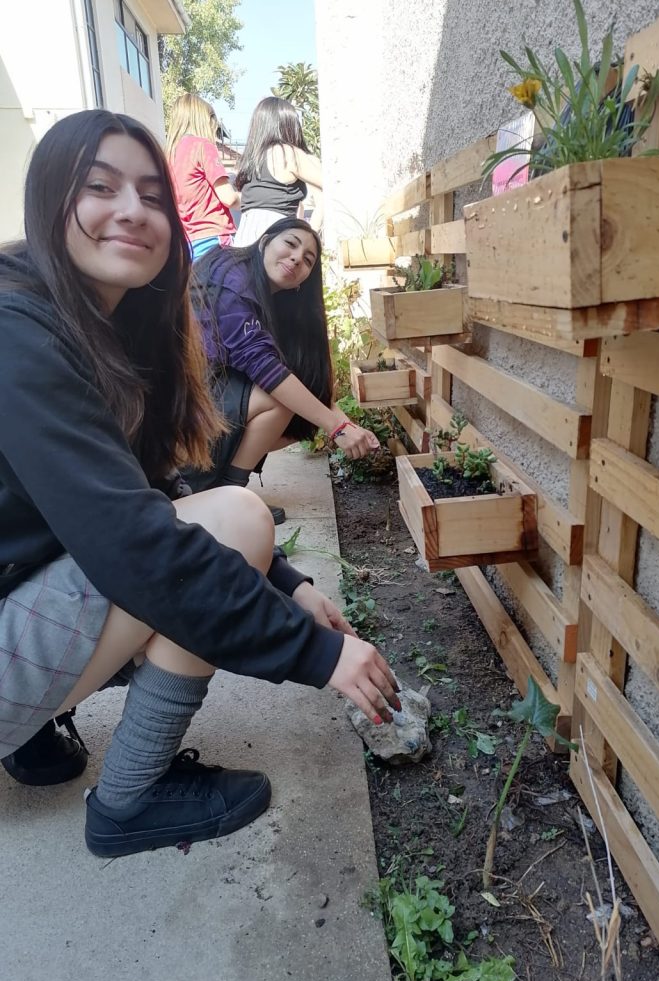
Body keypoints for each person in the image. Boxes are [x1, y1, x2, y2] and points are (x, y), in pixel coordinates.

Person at [0, 109, 399, 858]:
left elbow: (144, 491)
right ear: (50, 201)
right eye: (101, 187)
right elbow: (137, 545)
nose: (133, 210)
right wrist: (319, 656)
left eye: (153, 195)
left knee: (225, 528)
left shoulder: (97, 325)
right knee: (236, 523)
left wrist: (287, 587)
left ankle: (32, 727)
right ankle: (130, 801)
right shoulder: (17, 332)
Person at [186, 218, 379, 494]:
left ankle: (222, 489)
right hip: (174, 403)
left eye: (308, 260)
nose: (297, 258)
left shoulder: (271, 299)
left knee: (301, 415)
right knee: (278, 399)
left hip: (204, 392)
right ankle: (228, 496)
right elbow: (264, 367)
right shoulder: (231, 275)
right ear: (265, 241)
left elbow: (297, 378)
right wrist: (336, 428)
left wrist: (345, 423)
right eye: (290, 243)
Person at [234, 97, 323, 247]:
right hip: (277, 238)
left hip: (245, 238)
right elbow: (333, 185)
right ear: (289, 125)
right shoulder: (287, 154)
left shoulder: (250, 161)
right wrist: (311, 233)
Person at [166, 92, 239, 260]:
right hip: (215, 240)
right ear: (205, 120)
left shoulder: (168, 154)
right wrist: (254, 200)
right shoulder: (202, 146)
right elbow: (229, 198)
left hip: (185, 245)